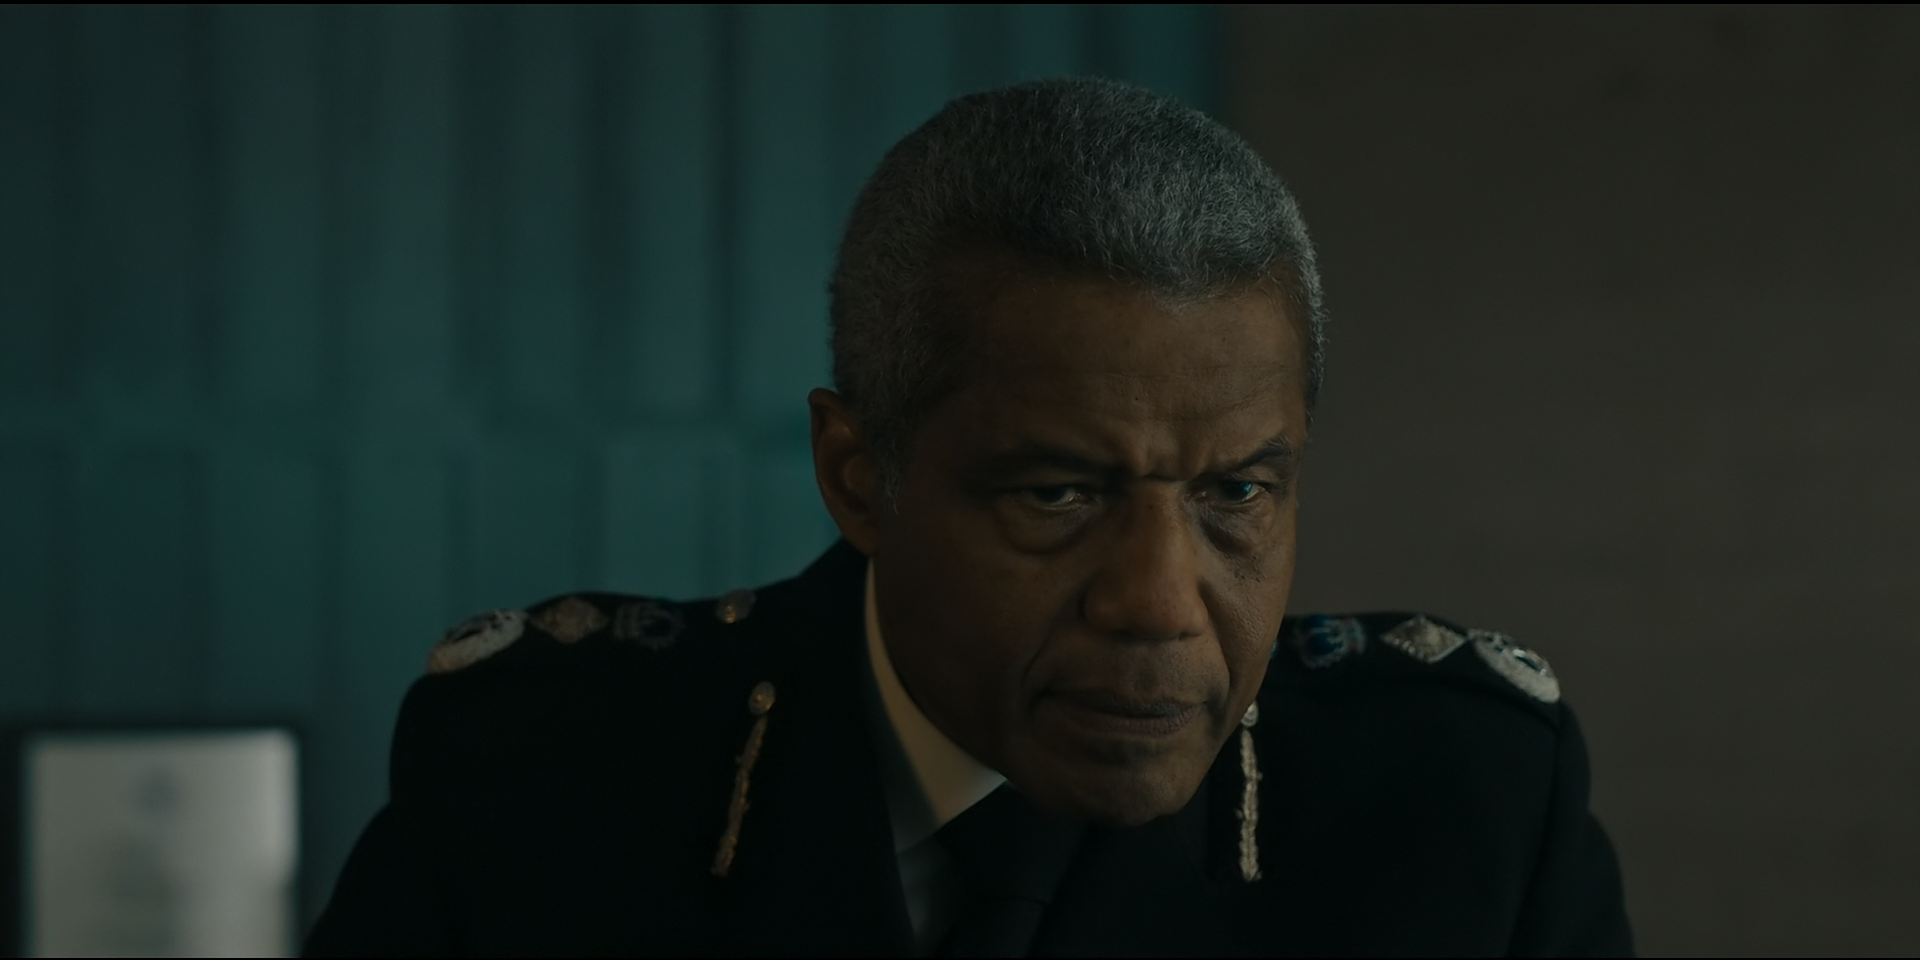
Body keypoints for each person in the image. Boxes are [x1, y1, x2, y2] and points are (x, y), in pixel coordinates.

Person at [304, 77, 1632, 957]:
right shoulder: (539, 785)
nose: (1159, 603)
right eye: (1058, 494)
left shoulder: (1462, 811)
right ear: (856, 474)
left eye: (1236, 494)